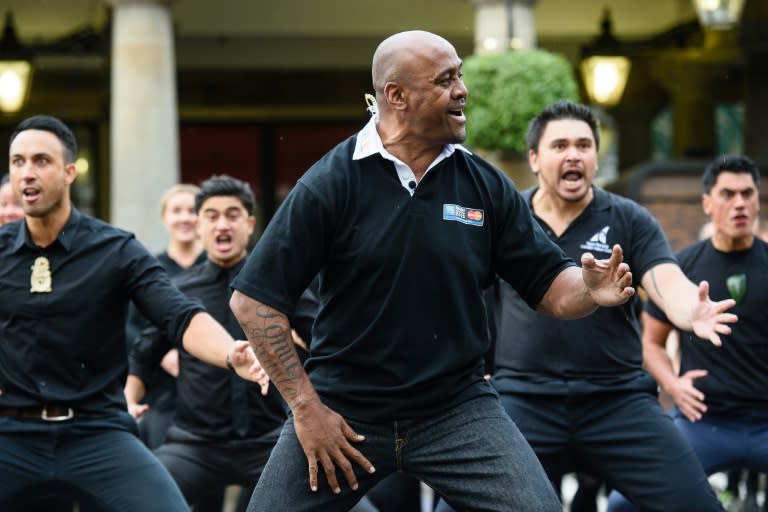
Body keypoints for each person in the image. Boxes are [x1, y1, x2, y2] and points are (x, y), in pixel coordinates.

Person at [228, 30, 639, 512]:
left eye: (460, 75)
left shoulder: (483, 184)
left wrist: (590, 290)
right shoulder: (330, 183)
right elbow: (254, 302)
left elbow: (551, 287)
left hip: (458, 409)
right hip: (345, 408)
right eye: (446, 80)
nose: (462, 90)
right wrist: (305, 409)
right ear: (396, 96)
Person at [475, 101, 736, 512]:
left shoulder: (629, 219)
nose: (573, 154)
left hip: (617, 401)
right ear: (535, 158)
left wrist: (691, 311)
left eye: (583, 145)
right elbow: (470, 294)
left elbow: (665, 279)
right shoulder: (508, 219)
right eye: (559, 145)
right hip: (523, 401)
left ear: (596, 157)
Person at [0, 115, 266, 511]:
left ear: (69, 172)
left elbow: (179, 315)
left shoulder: (115, 250)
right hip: (12, 436)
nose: (27, 173)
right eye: (18, 162)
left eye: (41, 161)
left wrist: (231, 354)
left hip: (96, 433)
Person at [606, 155, 768, 511]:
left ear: (757, 200)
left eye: (747, 193)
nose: (739, 203)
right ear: (707, 203)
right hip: (703, 421)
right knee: (622, 505)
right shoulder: (680, 268)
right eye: (727, 194)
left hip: (764, 422)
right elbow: (650, 344)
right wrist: (674, 385)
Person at [124, 175, 286, 509]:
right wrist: (128, 403)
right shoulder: (177, 291)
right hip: (193, 445)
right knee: (134, 500)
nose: (222, 225)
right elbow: (143, 354)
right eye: (212, 216)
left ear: (250, 223)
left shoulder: (280, 284)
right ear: (199, 225)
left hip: (270, 442)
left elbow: (322, 342)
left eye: (232, 215)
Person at [125, 183, 206, 450]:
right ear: (164, 218)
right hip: (162, 394)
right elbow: (130, 325)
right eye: (177, 210)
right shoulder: (149, 268)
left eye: (192, 210)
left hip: (212, 394)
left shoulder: (216, 266)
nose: (185, 218)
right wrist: (161, 354)